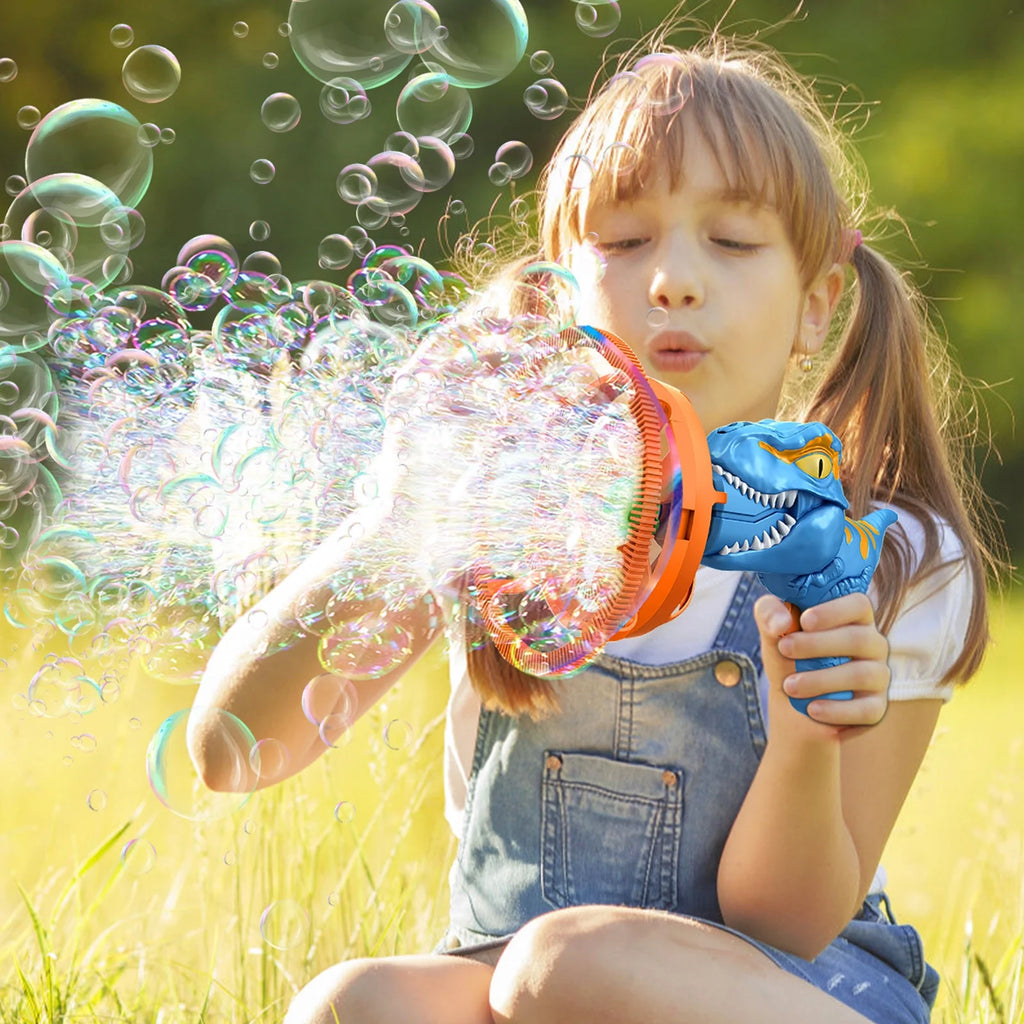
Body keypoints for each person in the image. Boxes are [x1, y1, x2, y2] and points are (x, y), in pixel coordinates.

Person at [187, 17, 1006, 1024]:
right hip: (521, 976)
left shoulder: (882, 557)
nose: (672, 278)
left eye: (733, 240)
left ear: (817, 304)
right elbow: (234, 752)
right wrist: (405, 518)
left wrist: (803, 737)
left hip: (793, 989)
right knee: (352, 1003)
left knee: (561, 966)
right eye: (622, 241)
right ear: (557, 293)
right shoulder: (504, 517)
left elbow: (783, 920)